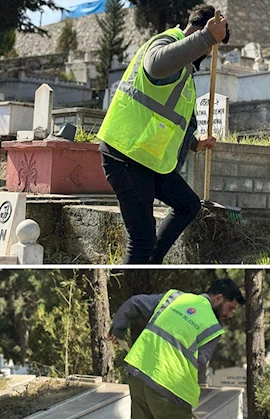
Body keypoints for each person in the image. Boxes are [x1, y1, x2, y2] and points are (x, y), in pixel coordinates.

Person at [97, 5, 230, 264]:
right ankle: (141, 269)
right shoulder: (166, 41)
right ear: (202, 33)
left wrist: (193, 142)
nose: (210, 53)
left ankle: (151, 263)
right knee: (142, 240)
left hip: (148, 159)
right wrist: (206, 38)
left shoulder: (184, 71)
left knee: (188, 205)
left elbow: (167, 119)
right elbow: (156, 66)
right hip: (125, 154)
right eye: (213, 47)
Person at [109, 278, 245, 419]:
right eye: (230, 307)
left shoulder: (174, 298)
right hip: (170, 386)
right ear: (218, 298)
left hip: (139, 374)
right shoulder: (212, 327)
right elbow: (201, 363)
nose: (230, 314)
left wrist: (118, 328)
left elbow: (133, 303)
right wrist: (191, 395)